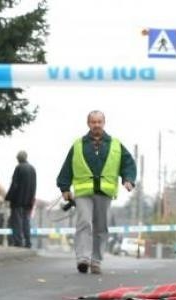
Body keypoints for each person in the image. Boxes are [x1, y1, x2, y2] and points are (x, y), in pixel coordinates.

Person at [57, 110, 136, 274]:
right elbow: (67, 167)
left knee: (101, 227)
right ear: (88, 124)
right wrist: (64, 187)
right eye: (93, 122)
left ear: (104, 123)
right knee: (84, 222)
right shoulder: (78, 145)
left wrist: (128, 179)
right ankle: (83, 259)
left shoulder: (115, 144)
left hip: (104, 192)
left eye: (99, 122)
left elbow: (127, 163)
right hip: (83, 192)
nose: (96, 125)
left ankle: (96, 260)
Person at [6, 150, 37, 248]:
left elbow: (14, 185)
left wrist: (8, 197)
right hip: (28, 201)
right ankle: (28, 242)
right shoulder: (32, 169)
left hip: (17, 201)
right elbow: (34, 186)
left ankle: (18, 242)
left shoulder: (18, 168)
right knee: (26, 221)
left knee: (17, 222)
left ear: (18, 159)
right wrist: (31, 199)